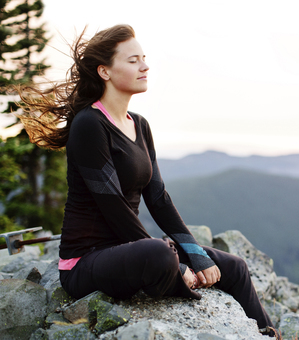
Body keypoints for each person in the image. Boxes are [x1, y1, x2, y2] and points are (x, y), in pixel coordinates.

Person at [15, 24, 280, 339]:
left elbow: (159, 198)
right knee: (157, 255)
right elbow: (112, 204)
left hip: (127, 250)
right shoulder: (89, 124)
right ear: (105, 72)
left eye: (144, 58)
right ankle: (173, 277)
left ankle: (268, 334)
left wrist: (194, 253)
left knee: (233, 266)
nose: (145, 66)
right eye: (132, 60)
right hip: (85, 263)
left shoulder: (140, 125)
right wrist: (176, 265)